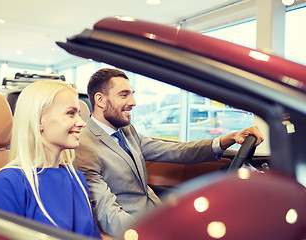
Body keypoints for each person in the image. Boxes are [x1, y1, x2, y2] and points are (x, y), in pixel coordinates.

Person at [73, 68, 264, 237]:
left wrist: (228, 139)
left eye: (132, 94)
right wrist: (156, 232)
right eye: (124, 95)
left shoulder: (127, 131)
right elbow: (109, 215)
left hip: (156, 213)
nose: (133, 102)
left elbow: (176, 151)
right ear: (100, 100)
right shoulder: (84, 146)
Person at [0, 81, 102, 239]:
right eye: (70, 113)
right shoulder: (8, 182)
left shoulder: (77, 177)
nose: (82, 123)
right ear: (39, 120)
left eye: (79, 114)